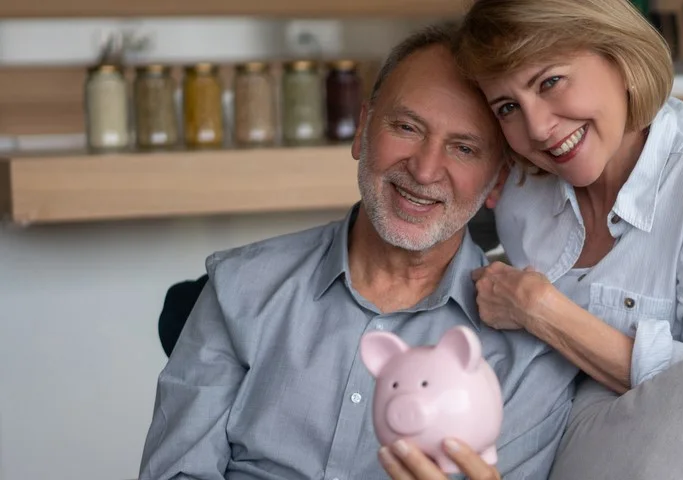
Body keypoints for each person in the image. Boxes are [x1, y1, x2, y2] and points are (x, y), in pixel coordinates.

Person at [137, 23, 578, 480]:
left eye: (463, 148)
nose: (425, 170)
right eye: (407, 127)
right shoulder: (238, 287)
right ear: (362, 129)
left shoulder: (527, 358)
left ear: (498, 181)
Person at [453, 0, 683, 394]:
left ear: (620, 58)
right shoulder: (517, 177)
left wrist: (538, 308)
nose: (536, 128)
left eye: (550, 82)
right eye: (507, 107)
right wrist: (481, 155)